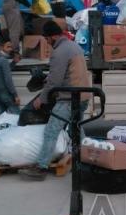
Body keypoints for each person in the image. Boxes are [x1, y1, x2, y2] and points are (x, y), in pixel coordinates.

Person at [20, 21, 91, 181]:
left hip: (69, 98)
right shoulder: (74, 46)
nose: (47, 42)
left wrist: (41, 98)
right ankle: (88, 159)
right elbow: (67, 73)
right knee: (76, 129)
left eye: (47, 38)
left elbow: (55, 81)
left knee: (51, 131)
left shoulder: (59, 51)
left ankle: (41, 167)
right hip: (83, 96)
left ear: (52, 36)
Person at [0, 36, 20, 114]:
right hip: (6, 93)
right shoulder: (4, 61)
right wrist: (15, 95)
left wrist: (14, 62)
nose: (10, 49)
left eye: (11, 47)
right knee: (17, 117)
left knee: (1, 119)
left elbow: (2, 71)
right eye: (8, 47)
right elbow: (8, 79)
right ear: (0, 47)